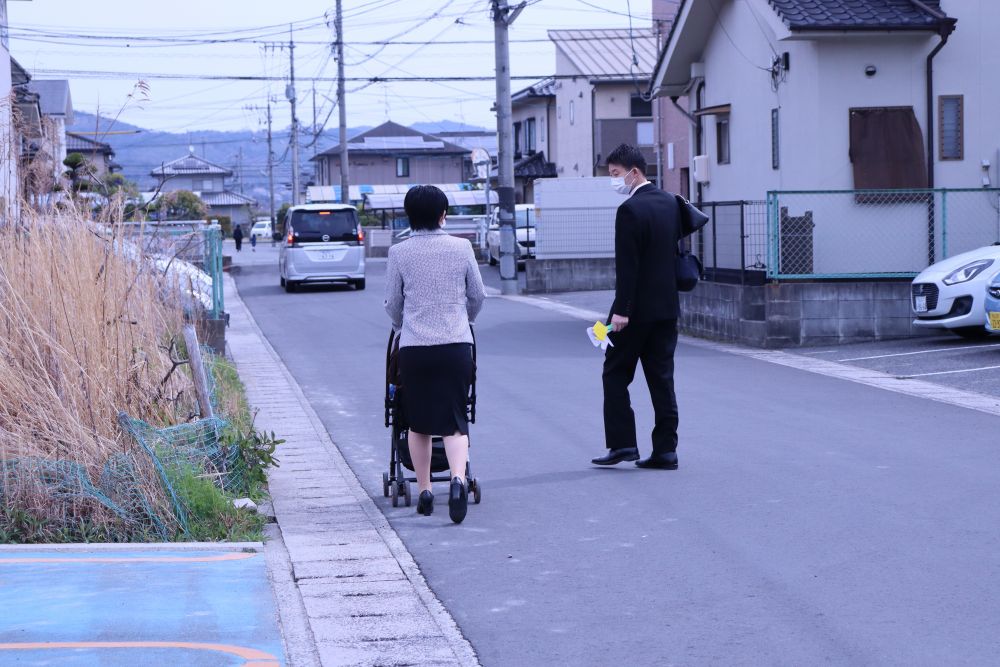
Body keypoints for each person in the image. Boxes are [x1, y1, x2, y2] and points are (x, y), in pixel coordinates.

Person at [384, 185, 486, 523]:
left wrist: (405, 325)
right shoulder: (461, 247)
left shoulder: (399, 253)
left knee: (418, 422)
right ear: (443, 215)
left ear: (409, 215)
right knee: (456, 419)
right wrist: (463, 318)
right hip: (456, 345)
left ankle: (426, 490)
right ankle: (457, 480)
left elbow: (394, 305)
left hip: (415, 348)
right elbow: (478, 294)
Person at [591, 143, 683, 471]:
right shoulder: (671, 203)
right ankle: (666, 451)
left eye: (615, 174)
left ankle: (623, 444)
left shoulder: (629, 211)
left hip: (634, 313)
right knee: (661, 379)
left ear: (634, 172)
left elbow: (628, 268)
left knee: (615, 373)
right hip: (667, 309)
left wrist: (621, 311)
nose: (614, 181)